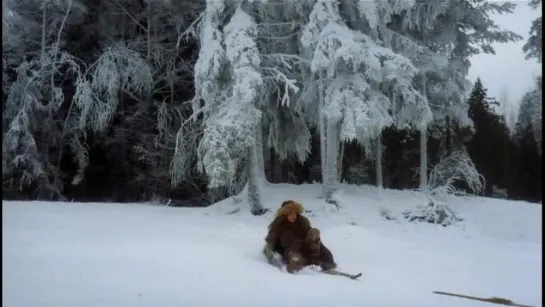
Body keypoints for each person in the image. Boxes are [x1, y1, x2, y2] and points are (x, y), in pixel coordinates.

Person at [263, 200, 337, 273]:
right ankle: (297, 264)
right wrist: (271, 256)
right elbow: (270, 243)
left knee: (314, 231)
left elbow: (315, 239)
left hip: (307, 249)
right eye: (291, 214)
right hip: (292, 252)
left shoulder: (302, 223)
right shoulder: (278, 227)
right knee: (294, 254)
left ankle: (316, 259)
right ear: (285, 214)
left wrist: (327, 256)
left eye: (295, 213)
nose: (293, 216)